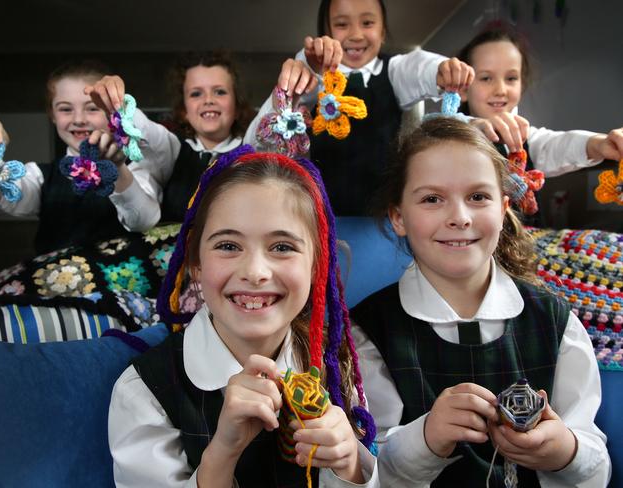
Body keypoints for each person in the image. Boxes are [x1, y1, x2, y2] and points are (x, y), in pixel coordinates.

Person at [350, 117, 610, 486]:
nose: (459, 217)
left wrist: (565, 451)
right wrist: (425, 440)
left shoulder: (554, 320)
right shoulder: (366, 331)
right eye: (432, 199)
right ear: (398, 217)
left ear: (503, 210)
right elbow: (364, 470)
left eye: (477, 197)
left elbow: (597, 467)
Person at [108, 147, 378, 487]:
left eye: (282, 247)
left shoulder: (339, 367)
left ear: (316, 265)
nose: (254, 272)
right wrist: (223, 451)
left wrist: (349, 466)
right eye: (228, 246)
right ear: (195, 262)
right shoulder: (143, 391)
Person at [249, 0, 474, 216]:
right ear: (324, 34)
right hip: (320, 221)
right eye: (341, 24)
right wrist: (304, 73)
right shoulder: (312, 77)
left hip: (386, 223)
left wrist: (442, 69)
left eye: (367, 23)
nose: (356, 35)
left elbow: (419, 66)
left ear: (383, 31)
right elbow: (254, 145)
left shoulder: (394, 71)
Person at [86, 51, 317, 231]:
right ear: (184, 110)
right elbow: (147, 133)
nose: (208, 100)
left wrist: (301, 73)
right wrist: (119, 104)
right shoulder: (172, 149)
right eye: (196, 93)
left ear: (237, 106)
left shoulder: (249, 150)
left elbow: (267, 120)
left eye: (220, 92)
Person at [0, 60, 130, 254]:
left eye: (92, 108)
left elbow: (143, 219)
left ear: (113, 113)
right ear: (52, 115)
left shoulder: (141, 169)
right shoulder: (40, 177)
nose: (79, 119)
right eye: (65, 109)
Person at [458, 25, 623, 180]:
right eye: (486, 78)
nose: (501, 90)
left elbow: (556, 146)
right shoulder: (447, 142)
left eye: (511, 78)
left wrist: (599, 144)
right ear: (463, 88)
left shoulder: (527, 141)